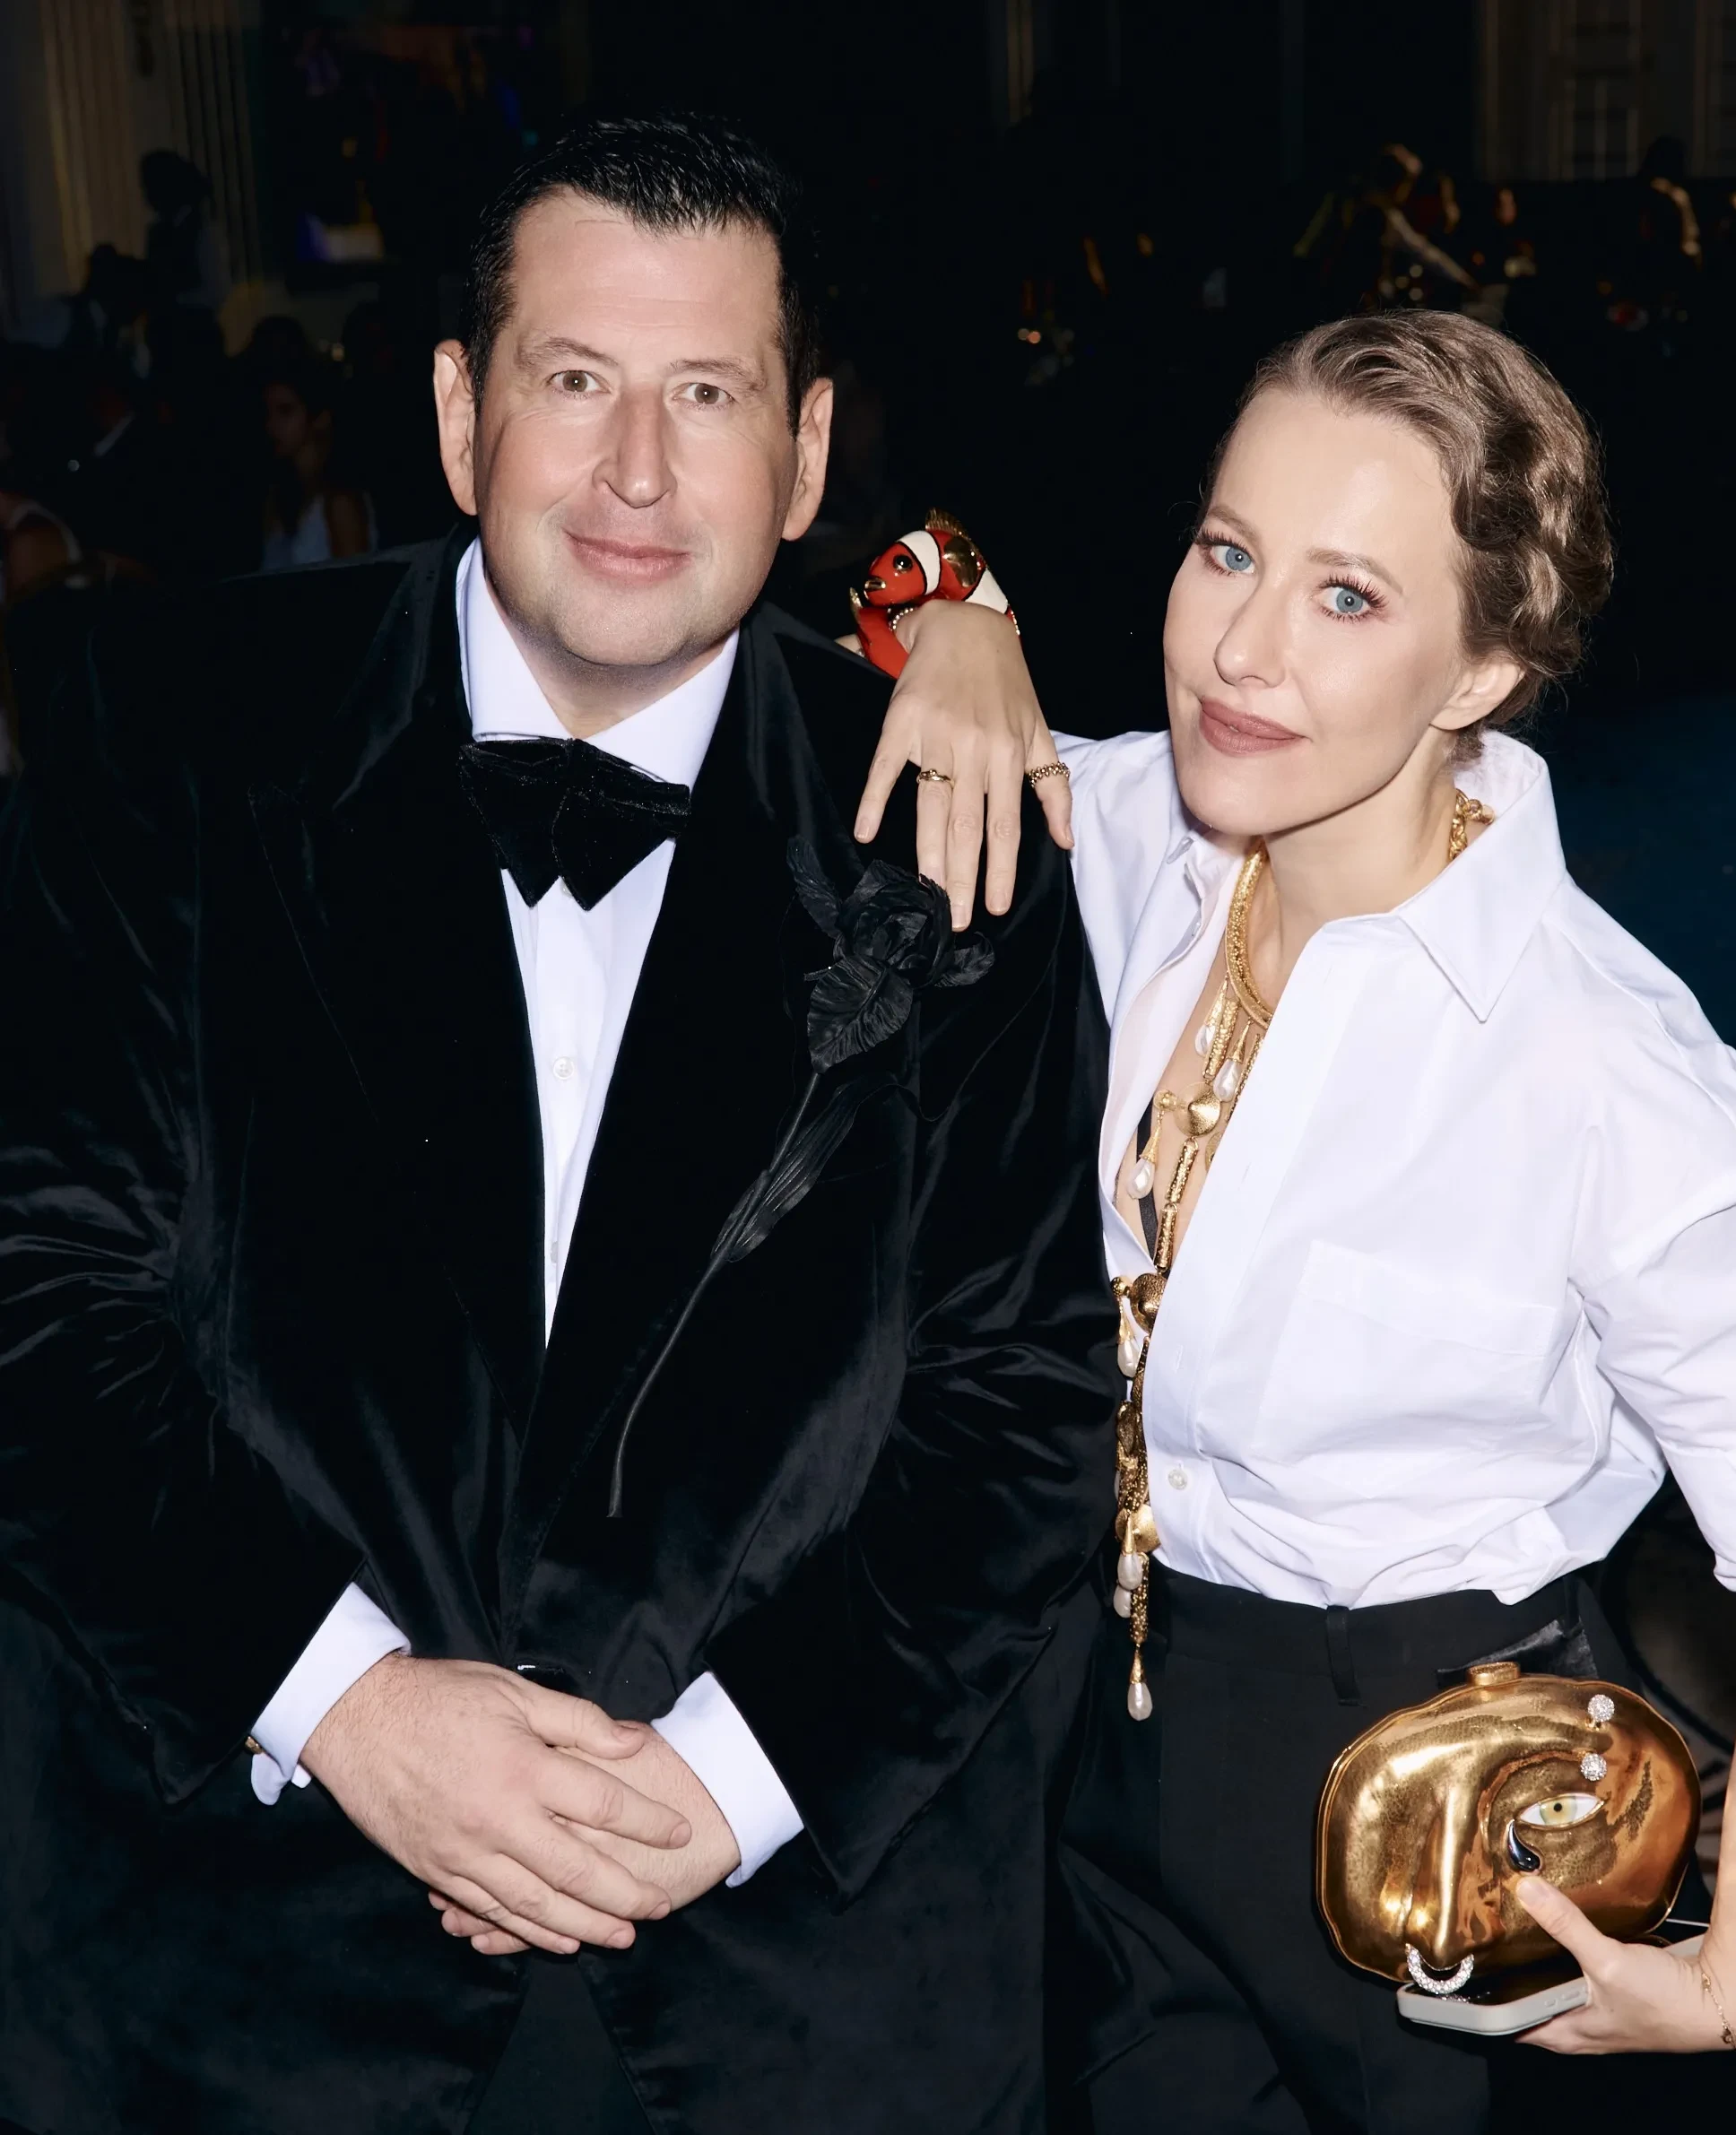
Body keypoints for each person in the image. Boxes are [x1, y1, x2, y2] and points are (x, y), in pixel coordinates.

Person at [0, 113, 1114, 2134]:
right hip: (241, 1965)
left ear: (804, 455)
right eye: (576, 379)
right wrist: (343, 1703)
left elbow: (1019, 1406)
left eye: (709, 395)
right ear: (459, 414)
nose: (636, 471)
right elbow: (38, 1307)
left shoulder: (956, 833)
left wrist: (720, 1784)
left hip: (790, 1987)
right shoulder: (156, 739)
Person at [855, 309, 1736, 2132]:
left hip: (1424, 1806)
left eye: (1347, 596)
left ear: (1480, 669)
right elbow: (864, 598)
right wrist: (961, 615)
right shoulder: (1144, 831)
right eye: (1227, 552)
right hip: (1109, 1732)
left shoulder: (1594, 1059)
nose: (1243, 648)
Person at [257, 345, 378, 568]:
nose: (272, 425)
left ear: (320, 417)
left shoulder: (340, 502)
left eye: (285, 411)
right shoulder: (279, 495)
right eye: (268, 413)